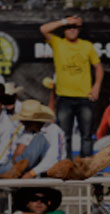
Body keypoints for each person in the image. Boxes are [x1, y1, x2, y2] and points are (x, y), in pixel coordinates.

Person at [40, 15, 103, 158]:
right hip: (64, 97)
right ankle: (67, 167)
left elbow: (98, 67)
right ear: (64, 30)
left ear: (79, 30)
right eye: (69, 27)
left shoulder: (87, 46)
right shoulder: (58, 43)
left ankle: (85, 169)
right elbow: (43, 29)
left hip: (84, 97)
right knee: (64, 135)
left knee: (86, 136)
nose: (72, 30)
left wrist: (97, 86)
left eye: (75, 27)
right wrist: (65, 21)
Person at [0, 100, 65, 179]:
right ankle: (11, 172)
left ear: (34, 121)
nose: (21, 122)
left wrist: (32, 173)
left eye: (25, 120)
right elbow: (17, 154)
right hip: (26, 167)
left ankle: (12, 172)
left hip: (46, 170)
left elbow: (53, 158)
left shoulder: (53, 130)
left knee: (40, 138)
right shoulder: (29, 130)